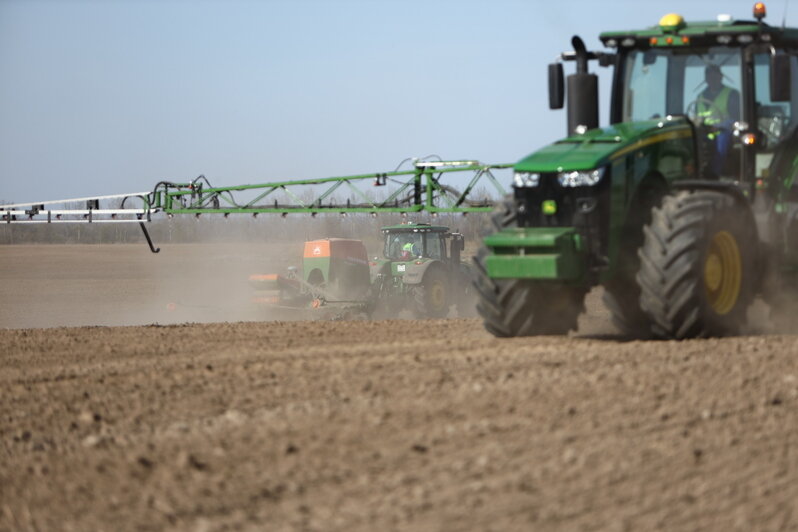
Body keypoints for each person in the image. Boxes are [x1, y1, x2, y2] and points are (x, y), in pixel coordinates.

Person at [695, 64, 741, 176]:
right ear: (706, 79)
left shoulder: (732, 94)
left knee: (721, 143)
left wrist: (720, 126)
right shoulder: (700, 96)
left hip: (723, 130)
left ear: (721, 77)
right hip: (703, 132)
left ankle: (716, 174)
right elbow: (697, 116)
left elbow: (736, 118)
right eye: (709, 76)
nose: (712, 79)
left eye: (715, 76)